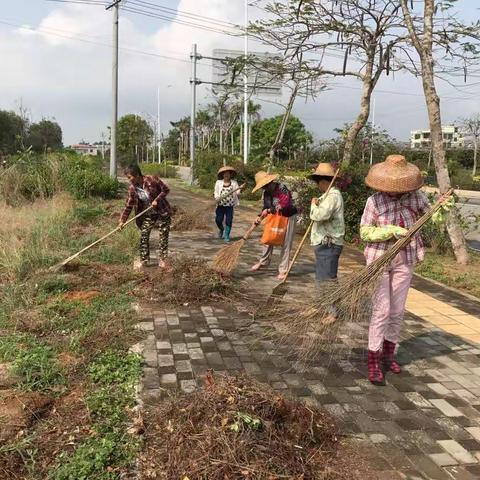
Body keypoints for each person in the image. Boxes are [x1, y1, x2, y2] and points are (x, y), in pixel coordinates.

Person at [360, 154, 450, 386]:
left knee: (397, 311)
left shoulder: (416, 197)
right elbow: (365, 232)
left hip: (405, 259)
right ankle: (373, 360)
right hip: (379, 260)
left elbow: (431, 218)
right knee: (382, 310)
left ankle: (389, 356)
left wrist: (441, 208)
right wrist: (390, 230)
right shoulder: (374, 202)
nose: (396, 192)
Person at [119, 164, 172, 269]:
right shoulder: (132, 189)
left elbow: (165, 190)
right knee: (144, 234)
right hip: (149, 214)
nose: (129, 180)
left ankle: (163, 260)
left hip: (162, 211)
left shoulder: (152, 180)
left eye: (130, 177)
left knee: (163, 236)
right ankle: (144, 261)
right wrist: (122, 221)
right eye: (128, 178)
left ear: (137, 175)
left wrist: (156, 200)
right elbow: (128, 205)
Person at [250, 171, 298, 281]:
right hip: (275, 217)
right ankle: (263, 262)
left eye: (266, 185)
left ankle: (283, 270)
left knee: (286, 243)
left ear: (271, 182)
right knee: (268, 238)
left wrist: (268, 210)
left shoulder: (282, 188)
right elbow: (266, 206)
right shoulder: (267, 192)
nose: (266, 188)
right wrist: (260, 216)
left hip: (288, 215)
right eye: (263, 187)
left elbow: (284, 205)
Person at [308, 163, 345, 284]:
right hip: (326, 245)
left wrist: (313, 205)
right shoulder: (327, 196)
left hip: (328, 244)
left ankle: (327, 304)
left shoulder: (333, 196)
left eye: (318, 183)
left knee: (325, 282)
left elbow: (320, 215)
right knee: (324, 279)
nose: (318, 186)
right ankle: (327, 303)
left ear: (323, 182)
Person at [214, 166, 242, 242]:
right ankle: (221, 229)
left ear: (230, 175)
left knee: (229, 220)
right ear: (222, 175)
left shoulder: (234, 183)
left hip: (229, 206)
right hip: (220, 205)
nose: (226, 175)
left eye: (228, 174)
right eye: (225, 174)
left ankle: (227, 235)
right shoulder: (218, 182)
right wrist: (217, 197)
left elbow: (237, 192)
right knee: (218, 220)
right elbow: (216, 192)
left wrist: (238, 193)